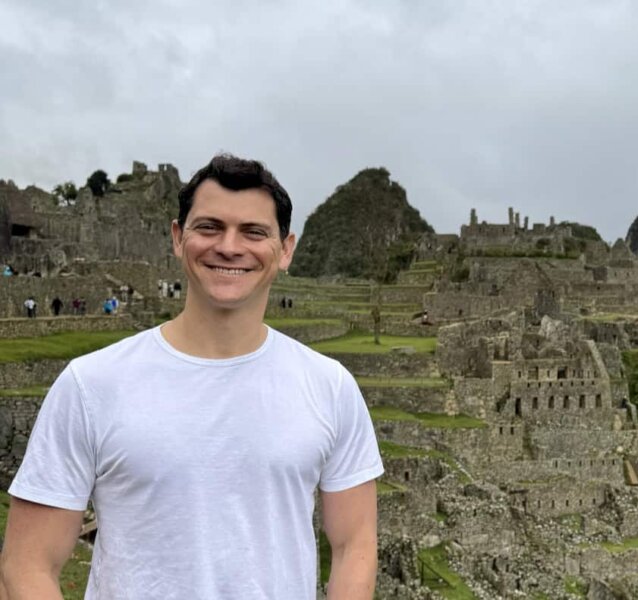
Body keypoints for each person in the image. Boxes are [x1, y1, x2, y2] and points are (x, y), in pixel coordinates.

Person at [1, 154, 383, 599]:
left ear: (286, 250)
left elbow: (355, 545)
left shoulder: (330, 388)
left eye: (253, 232)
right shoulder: (91, 385)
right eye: (209, 227)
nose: (229, 246)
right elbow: (27, 564)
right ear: (178, 238)